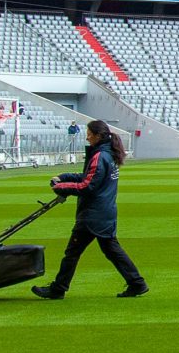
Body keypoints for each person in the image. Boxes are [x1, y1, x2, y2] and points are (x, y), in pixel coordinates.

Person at [33, 120, 147, 299]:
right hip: (104, 212)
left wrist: (62, 187)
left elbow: (88, 185)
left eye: (89, 133)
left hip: (93, 215)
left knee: (72, 252)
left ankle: (58, 288)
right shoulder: (108, 155)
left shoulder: (100, 156)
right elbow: (88, 177)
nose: (87, 136)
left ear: (98, 135)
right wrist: (64, 177)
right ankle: (137, 283)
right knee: (111, 250)